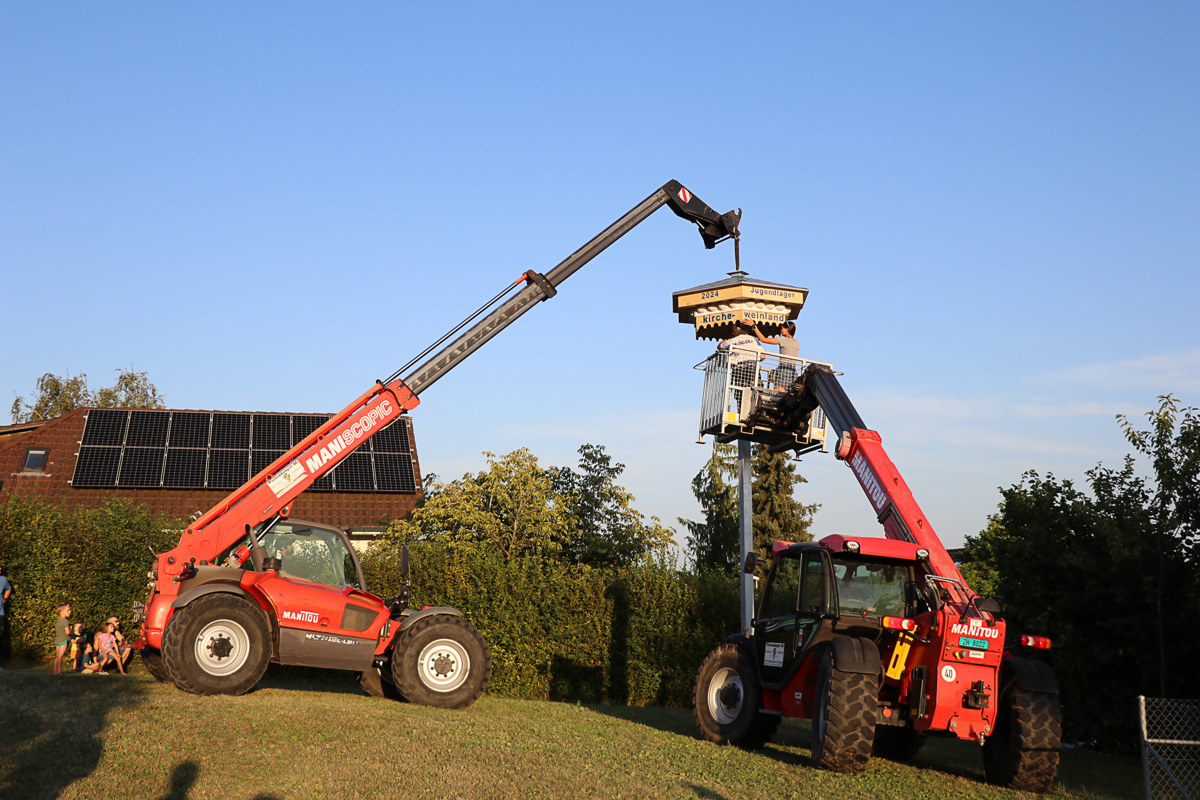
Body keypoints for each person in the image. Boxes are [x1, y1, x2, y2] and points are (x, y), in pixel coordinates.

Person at [717, 321, 763, 418]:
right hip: (753, 367)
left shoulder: (731, 341)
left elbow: (720, 346)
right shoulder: (752, 338)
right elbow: (763, 356)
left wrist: (729, 337)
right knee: (756, 390)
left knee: (739, 392)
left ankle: (741, 413)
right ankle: (757, 412)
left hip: (739, 369)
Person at [753, 320, 800, 390]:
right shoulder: (797, 343)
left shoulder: (783, 340)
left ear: (787, 329)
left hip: (783, 369)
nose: (781, 330)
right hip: (793, 370)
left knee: (777, 394)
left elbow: (763, 339)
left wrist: (754, 326)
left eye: (782, 328)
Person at [52, 604, 71, 675]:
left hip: (57, 640)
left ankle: (55, 671)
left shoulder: (58, 620)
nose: (70, 612)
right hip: (63, 640)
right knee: (60, 656)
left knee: (57, 656)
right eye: (68, 610)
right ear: (61, 611)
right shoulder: (65, 621)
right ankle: (59, 671)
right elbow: (67, 632)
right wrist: (71, 629)